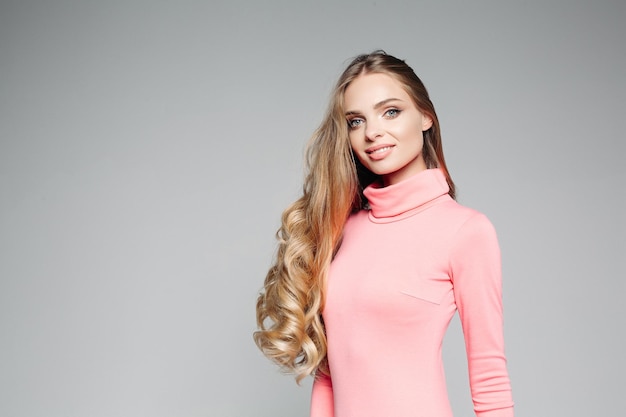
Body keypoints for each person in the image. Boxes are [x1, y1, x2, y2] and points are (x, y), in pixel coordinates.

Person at [254, 50, 514, 417]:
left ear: (425, 116)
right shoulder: (342, 228)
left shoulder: (466, 231)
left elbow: (490, 378)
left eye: (390, 111)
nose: (372, 132)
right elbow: (329, 373)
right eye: (356, 121)